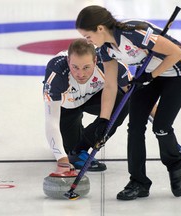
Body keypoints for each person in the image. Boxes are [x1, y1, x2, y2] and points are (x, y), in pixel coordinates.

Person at [76, 5, 181, 200]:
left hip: (176, 73)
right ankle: (138, 182)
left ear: (100, 28)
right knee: (135, 128)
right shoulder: (105, 50)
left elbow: (176, 53)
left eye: (87, 36)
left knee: (161, 127)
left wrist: (151, 75)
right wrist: (103, 120)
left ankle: (176, 165)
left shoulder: (133, 33)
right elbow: (110, 86)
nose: (87, 40)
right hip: (147, 77)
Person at [43, 38, 131, 174]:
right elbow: (51, 120)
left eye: (86, 67)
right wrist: (61, 159)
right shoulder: (56, 71)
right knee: (68, 151)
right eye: (75, 67)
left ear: (95, 61)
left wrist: (162, 127)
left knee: (124, 101)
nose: (81, 74)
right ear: (68, 61)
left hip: (95, 98)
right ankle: (75, 145)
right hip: (67, 106)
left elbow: (137, 96)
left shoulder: (109, 62)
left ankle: (82, 147)